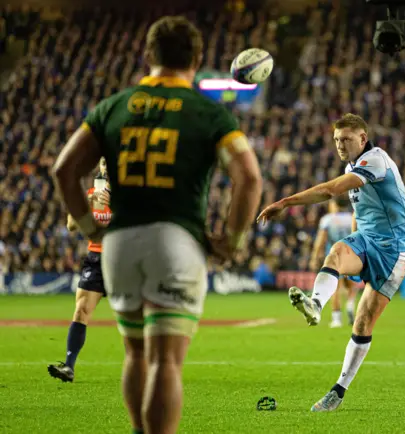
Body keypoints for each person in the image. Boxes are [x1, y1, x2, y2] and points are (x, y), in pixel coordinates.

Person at [52, 16, 262, 434]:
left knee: (135, 354)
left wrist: (90, 229)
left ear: (149, 55)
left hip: (119, 244)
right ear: (197, 59)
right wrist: (231, 241)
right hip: (176, 240)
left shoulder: (113, 106)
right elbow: (249, 176)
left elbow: (63, 170)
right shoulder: (206, 112)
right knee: (165, 359)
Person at [257, 113, 405, 412]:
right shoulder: (351, 167)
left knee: (364, 321)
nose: (340, 145)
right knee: (336, 252)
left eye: (346, 139)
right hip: (367, 240)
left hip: (396, 249)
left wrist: (284, 202)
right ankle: (316, 304)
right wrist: (355, 248)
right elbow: (359, 209)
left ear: (363, 139)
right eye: (337, 140)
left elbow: (330, 191)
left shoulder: (376, 160)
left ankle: (338, 391)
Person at [47, 158, 112, 382]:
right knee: (82, 309)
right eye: (104, 163)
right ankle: (69, 366)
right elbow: (71, 225)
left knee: (136, 316)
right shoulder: (93, 193)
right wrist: (88, 202)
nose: (106, 167)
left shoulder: (131, 196)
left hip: (123, 259)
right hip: (96, 258)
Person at [310, 196, 358, 328]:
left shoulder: (328, 219)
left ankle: (336, 319)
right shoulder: (352, 218)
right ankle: (350, 304)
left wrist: (315, 256)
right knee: (351, 285)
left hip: (334, 256)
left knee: (334, 288)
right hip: (351, 254)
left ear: (335, 205)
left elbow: (321, 239)